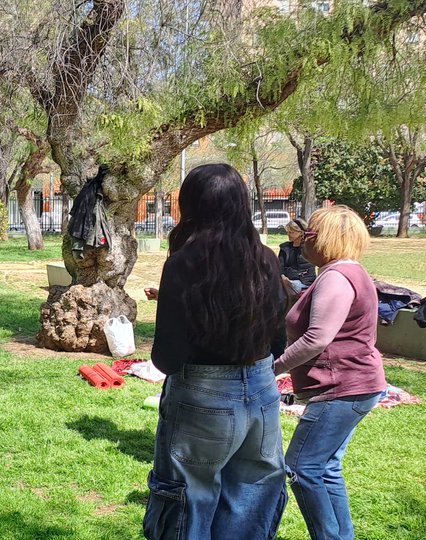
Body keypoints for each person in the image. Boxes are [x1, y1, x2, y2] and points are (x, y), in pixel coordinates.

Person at [144, 164, 287, 539]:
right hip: (261, 392)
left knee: (187, 500)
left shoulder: (183, 264)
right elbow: (278, 340)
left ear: (190, 205)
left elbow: (167, 357)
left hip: (202, 395)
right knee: (251, 500)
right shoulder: (267, 260)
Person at [275, 205, 386, 540]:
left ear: (323, 240)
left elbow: (317, 338)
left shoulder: (336, 277)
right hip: (356, 385)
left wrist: (272, 369)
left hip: (342, 388)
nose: (302, 242)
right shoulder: (344, 273)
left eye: (308, 235)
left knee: (301, 467)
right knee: (327, 468)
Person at [279, 217, 317, 294]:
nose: (288, 234)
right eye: (288, 232)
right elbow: (279, 267)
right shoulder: (284, 248)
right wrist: (283, 277)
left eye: (291, 232)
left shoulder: (308, 248)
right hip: (287, 283)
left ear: (301, 232)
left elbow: (310, 272)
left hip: (305, 284)